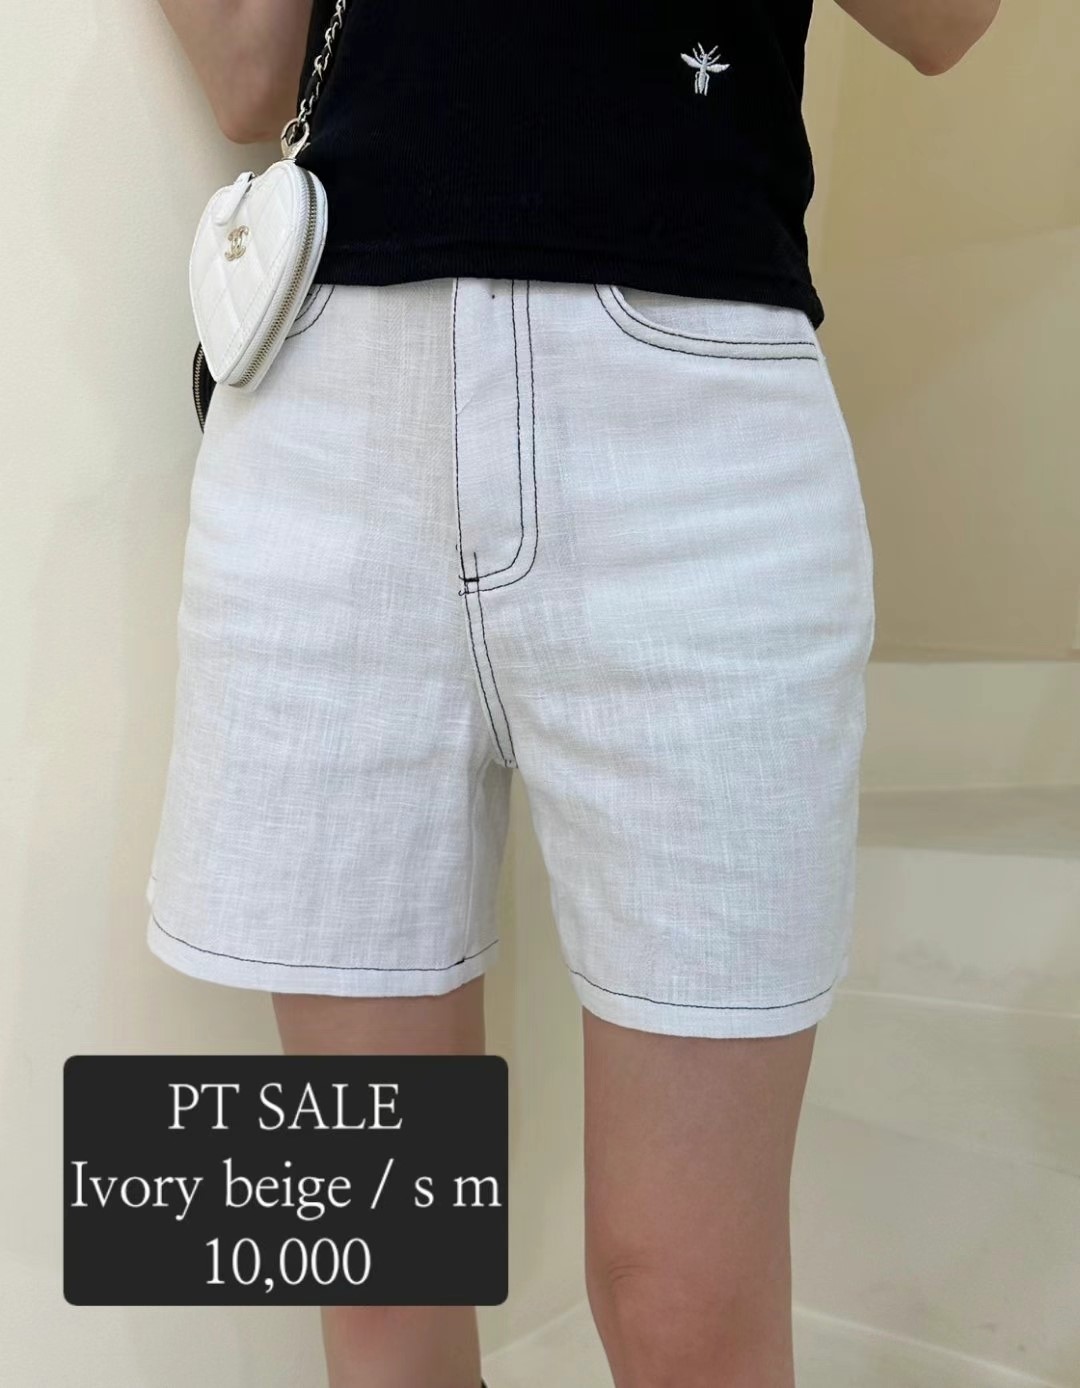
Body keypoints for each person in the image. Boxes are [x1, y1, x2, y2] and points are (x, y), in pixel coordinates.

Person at [148, 3, 1000, 1385]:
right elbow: (249, 72)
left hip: (695, 427)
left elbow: (950, 22)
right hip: (325, 419)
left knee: (684, 1303)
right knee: (375, 1287)